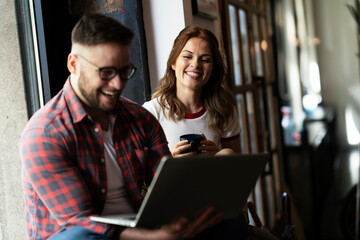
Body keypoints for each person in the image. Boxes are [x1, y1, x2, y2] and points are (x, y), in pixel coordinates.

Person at [19, 14, 228, 240]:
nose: (118, 84)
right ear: (74, 64)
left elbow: (167, 192)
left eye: (124, 71)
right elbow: (82, 222)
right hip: (81, 234)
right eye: (106, 72)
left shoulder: (141, 119)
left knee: (226, 221)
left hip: (137, 224)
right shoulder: (45, 133)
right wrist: (154, 238)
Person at [143, 26, 241, 157]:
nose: (195, 65)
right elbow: (140, 172)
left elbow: (238, 166)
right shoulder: (151, 112)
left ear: (213, 69)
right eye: (187, 56)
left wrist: (217, 157)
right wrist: (170, 161)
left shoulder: (224, 109)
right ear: (173, 62)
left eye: (205, 60)